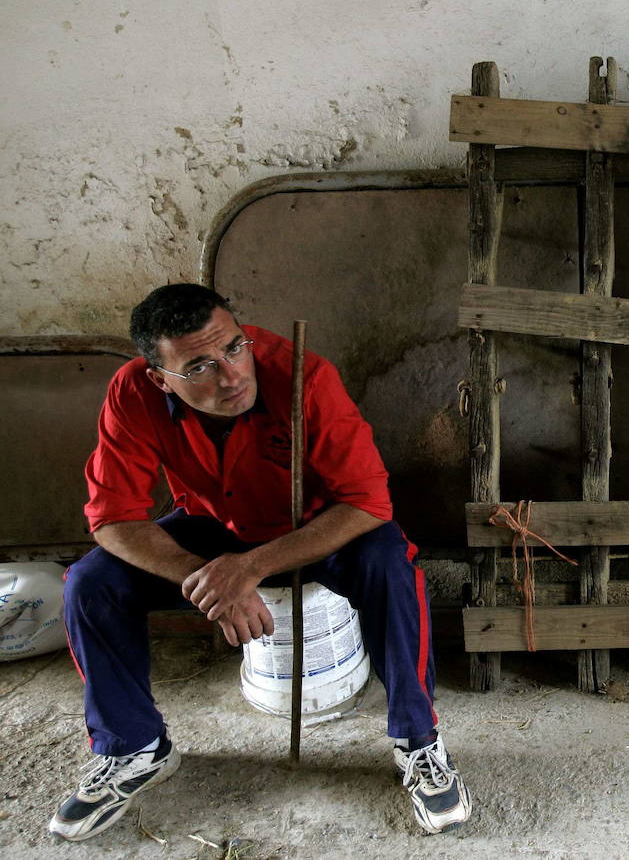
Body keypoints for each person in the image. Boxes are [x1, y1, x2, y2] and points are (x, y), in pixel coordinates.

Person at [51, 284, 471, 840]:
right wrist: (207, 579)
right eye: (199, 364)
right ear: (159, 377)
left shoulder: (304, 375)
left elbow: (368, 502)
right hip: (211, 523)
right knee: (89, 583)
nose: (229, 375)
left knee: (392, 565)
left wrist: (247, 569)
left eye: (233, 347)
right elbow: (112, 518)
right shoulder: (132, 392)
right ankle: (134, 748)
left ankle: (419, 743)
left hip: (318, 523)